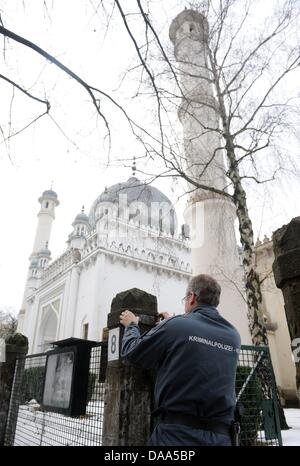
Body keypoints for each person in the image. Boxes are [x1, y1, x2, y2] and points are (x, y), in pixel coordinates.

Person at [120, 274, 241, 446]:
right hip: (222, 437)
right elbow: (199, 352)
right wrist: (171, 324)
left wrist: (132, 326)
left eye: (185, 298)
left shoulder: (177, 326)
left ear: (192, 297)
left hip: (177, 437)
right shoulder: (233, 335)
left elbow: (133, 351)